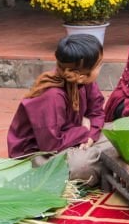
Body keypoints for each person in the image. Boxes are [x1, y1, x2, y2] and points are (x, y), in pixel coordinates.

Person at [7, 33, 110, 187]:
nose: (100, 67)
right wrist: (84, 129)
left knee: (123, 132)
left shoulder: (83, 80)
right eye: (99, 65)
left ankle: (100, 159)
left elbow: (96, 112)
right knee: (82, 167)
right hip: (42, 155)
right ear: (80, 76)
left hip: (73, 140)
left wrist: (91, 134)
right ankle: (103, 164)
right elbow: (51, 144)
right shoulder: (51, 95)